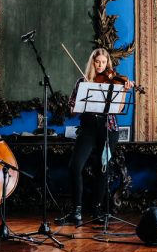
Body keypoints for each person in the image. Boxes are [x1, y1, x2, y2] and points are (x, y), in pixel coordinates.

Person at [55, 48, 134, 227]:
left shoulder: (113, 82)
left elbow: (119, 110)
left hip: (109, 129)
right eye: (97, 62)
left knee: (103, 169)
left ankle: (97, 210)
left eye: (103, 62)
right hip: (88, 129)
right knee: (75, 167)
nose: (100, 65)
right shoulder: (82, 82)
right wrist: (79, 105)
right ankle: (76, 211)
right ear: (92, 63)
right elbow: (72, 111)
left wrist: (123, 92)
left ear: (108, 64)